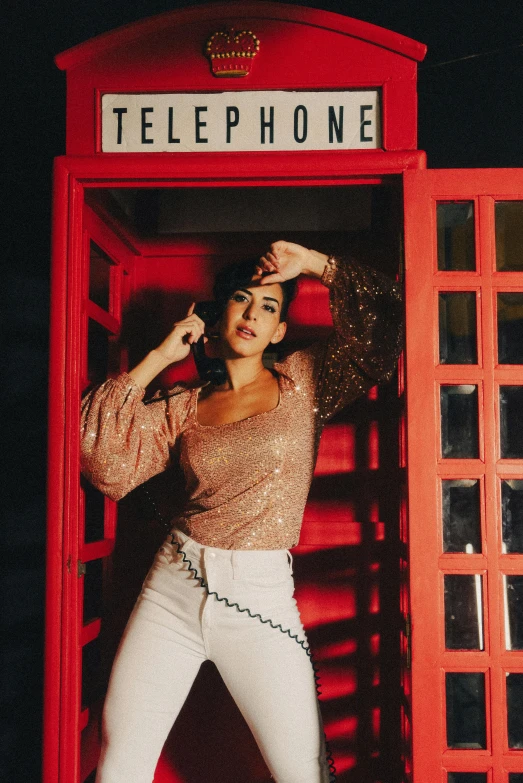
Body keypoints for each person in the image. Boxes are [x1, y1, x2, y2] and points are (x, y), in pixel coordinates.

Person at [80, 240, 403, 783]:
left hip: (260, 598)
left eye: (269, 307)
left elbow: (386, 325)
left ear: (279, 331)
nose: (253, 313)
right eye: (241, 299)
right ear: (217, 314)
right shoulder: (183, 405)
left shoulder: (303, 381)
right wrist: (161, 356)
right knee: (120, 761)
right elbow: (100, 457)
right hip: (173, 588)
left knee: (302, 772)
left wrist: (312, 264)